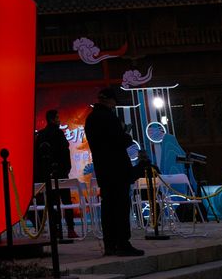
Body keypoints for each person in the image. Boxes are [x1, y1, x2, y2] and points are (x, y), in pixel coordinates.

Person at [84, 87, 144, 258]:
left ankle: (109, 244)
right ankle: (123, 243)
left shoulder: (91, 119)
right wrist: (127, 136)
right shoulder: (109, 118)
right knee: (121, 207)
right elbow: (118, 141)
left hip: (103, 169)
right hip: (117, 169)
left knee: (108, 207)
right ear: (110, 101)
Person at [34, 109, 78, 239]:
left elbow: (37, 156)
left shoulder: (41, 135)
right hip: (61, 174)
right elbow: (65, 152)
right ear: (52, 119)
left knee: (53, 203)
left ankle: (57, 229)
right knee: (66, 202)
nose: (59, 120)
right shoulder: (58, 134)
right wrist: (66, 169)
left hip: (47, 174)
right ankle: (70, 229)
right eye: (57, 118)